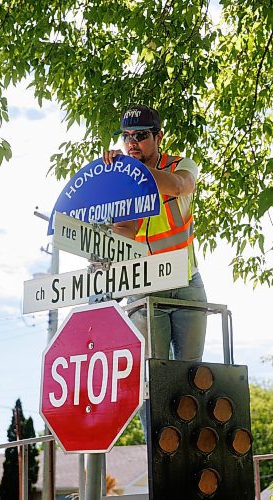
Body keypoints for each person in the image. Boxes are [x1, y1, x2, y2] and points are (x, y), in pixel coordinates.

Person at [103, 104, 207, 364]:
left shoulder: (181, 165)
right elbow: (126, 231)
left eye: (140, 136)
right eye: (126, 136)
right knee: (153, 376)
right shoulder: (122, 180)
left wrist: (134, 170)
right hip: (145, 287)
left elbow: (180, 186)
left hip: (186, 284)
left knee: (191, 376)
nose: (132, 143)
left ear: (158, 137)